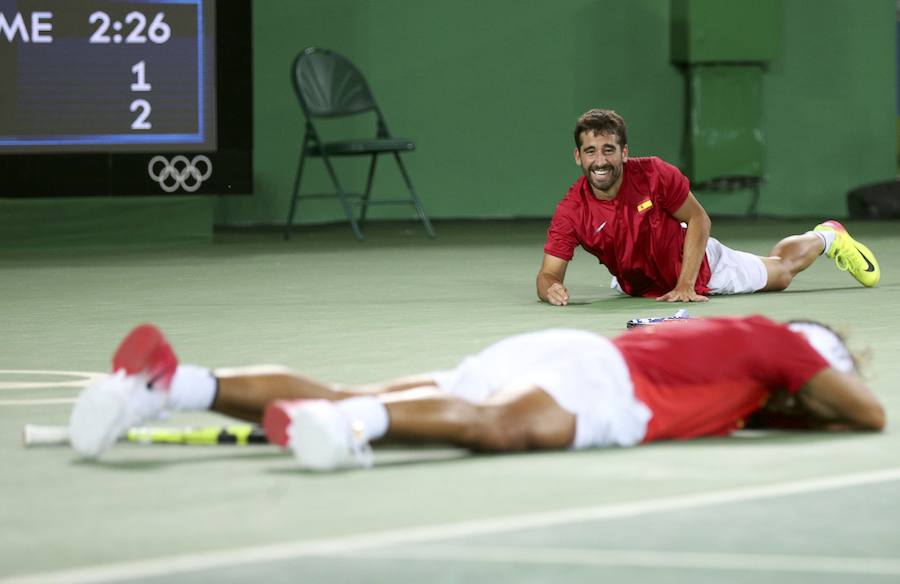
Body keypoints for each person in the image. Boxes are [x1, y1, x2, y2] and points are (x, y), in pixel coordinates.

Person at [69, 317, 884, 470]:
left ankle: (168, 385)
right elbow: (869, 415)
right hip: (608, 385)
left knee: (352, 388)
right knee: (498, 428)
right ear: (824, 360)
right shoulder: (782, 346)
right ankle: (348, 427)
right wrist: (805, 410)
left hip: (560, 350)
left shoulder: (730, 360)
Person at [536, 109, 881, 305]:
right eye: (591, 152)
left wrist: (685, 283)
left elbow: (698, 218)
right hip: (640, 282)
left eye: (609, 150)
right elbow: (548, 274)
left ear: (624, 153)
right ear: (578, 157)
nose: (600, 161)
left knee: (781, 273)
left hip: (700, 265)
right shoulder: (571, 210)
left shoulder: (654, 174)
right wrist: (550, 289)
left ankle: (827, 237)